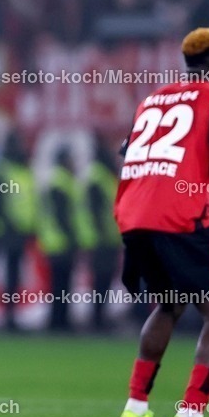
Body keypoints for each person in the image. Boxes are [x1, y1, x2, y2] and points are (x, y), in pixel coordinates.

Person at [115, 27, 209, 417]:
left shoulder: (152, 99)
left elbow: (127, 150)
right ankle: (190, 415)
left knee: (169, 304)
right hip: (178, 216)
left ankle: (135, 409)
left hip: (134, 215)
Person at [37, 146, 91, 332]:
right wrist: (73, 238)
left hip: (55, 241)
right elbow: (63, 216)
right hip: (61, 241)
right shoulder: (61, 183)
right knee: (62, 284)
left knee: (60, 284)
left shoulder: (58, 181)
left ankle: (58, 319)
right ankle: (59, 321)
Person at [0, 131, 37, 331]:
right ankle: (6, 314)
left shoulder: (21, 169)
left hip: (21, 229)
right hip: (8, 228)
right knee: (8, 273)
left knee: (14, 274)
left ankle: (11, 313)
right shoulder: (4, 169)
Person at [85, 135, 122, 332]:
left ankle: (100, 316)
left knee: (105, 279)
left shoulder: (104, 176)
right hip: (101, 239)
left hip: (108, 237)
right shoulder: (98, 177)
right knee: (101, 279)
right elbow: (95, 210)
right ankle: (97, 318)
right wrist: (101, 232)